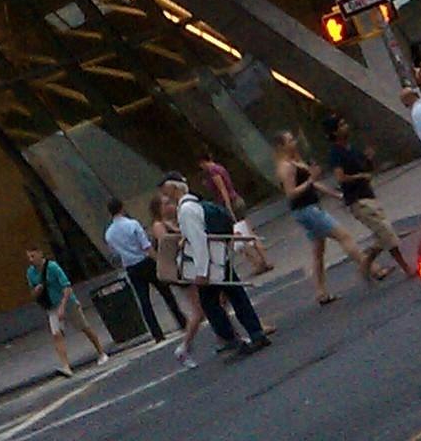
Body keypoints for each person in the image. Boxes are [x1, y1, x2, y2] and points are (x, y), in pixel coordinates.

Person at [163, 173, 269, 367]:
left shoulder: (186, 210)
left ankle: (232, 338)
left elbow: (198, 240)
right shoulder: (196, 204)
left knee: (210, 303)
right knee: (236, 295)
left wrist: (202, 272)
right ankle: (254, 332)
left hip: (209, 262)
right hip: (219, 255)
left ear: (174, 188)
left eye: (166, 189)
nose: (164, 194)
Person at [272, 130, 378, 301]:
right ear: (281, 146)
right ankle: (371, 267)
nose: (294, 143)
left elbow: (314, 184)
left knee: (318, 250)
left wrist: (335, 194)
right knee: (343, 236)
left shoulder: (295, 161)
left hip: (310, 208)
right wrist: (310, 180)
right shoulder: (286, 167)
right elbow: (291, 193)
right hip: (306, 210)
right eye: (290, 141)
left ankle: (321, 292)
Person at [323, 117, 403, 277]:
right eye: (341, 125)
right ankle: (403, 266)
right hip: (357, 199)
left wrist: (369, 160)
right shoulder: (336, 153)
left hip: (368, 194)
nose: (346, 126)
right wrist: (360, 176)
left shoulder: (352, 148)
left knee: (384, 233)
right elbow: (340, 177)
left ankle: (367, 262)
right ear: (334, 132)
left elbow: (367, 169)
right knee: (386, 232)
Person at [25, 244, 111, 377]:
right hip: (51, 305)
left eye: (33, 256)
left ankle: (101, 352)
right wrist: (36, 291)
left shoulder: (52, 267)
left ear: (40, 254)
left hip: (67, 302)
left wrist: (62, 307)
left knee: (84, 327)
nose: (31, 259)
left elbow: (66, 287)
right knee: (56, 334)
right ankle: (66, 366)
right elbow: (32, 294)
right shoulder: (30, 272)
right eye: (29, 257)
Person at [103, 196, 185, 334]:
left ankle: (156, 332)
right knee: (165, 292)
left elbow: (115, 253)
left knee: (144, 300)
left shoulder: (109, 234)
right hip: (145, 261)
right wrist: (159, 261)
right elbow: (146, 246)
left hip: (131, 266)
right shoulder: (133, 224)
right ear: (122, 207)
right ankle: (181, 320)